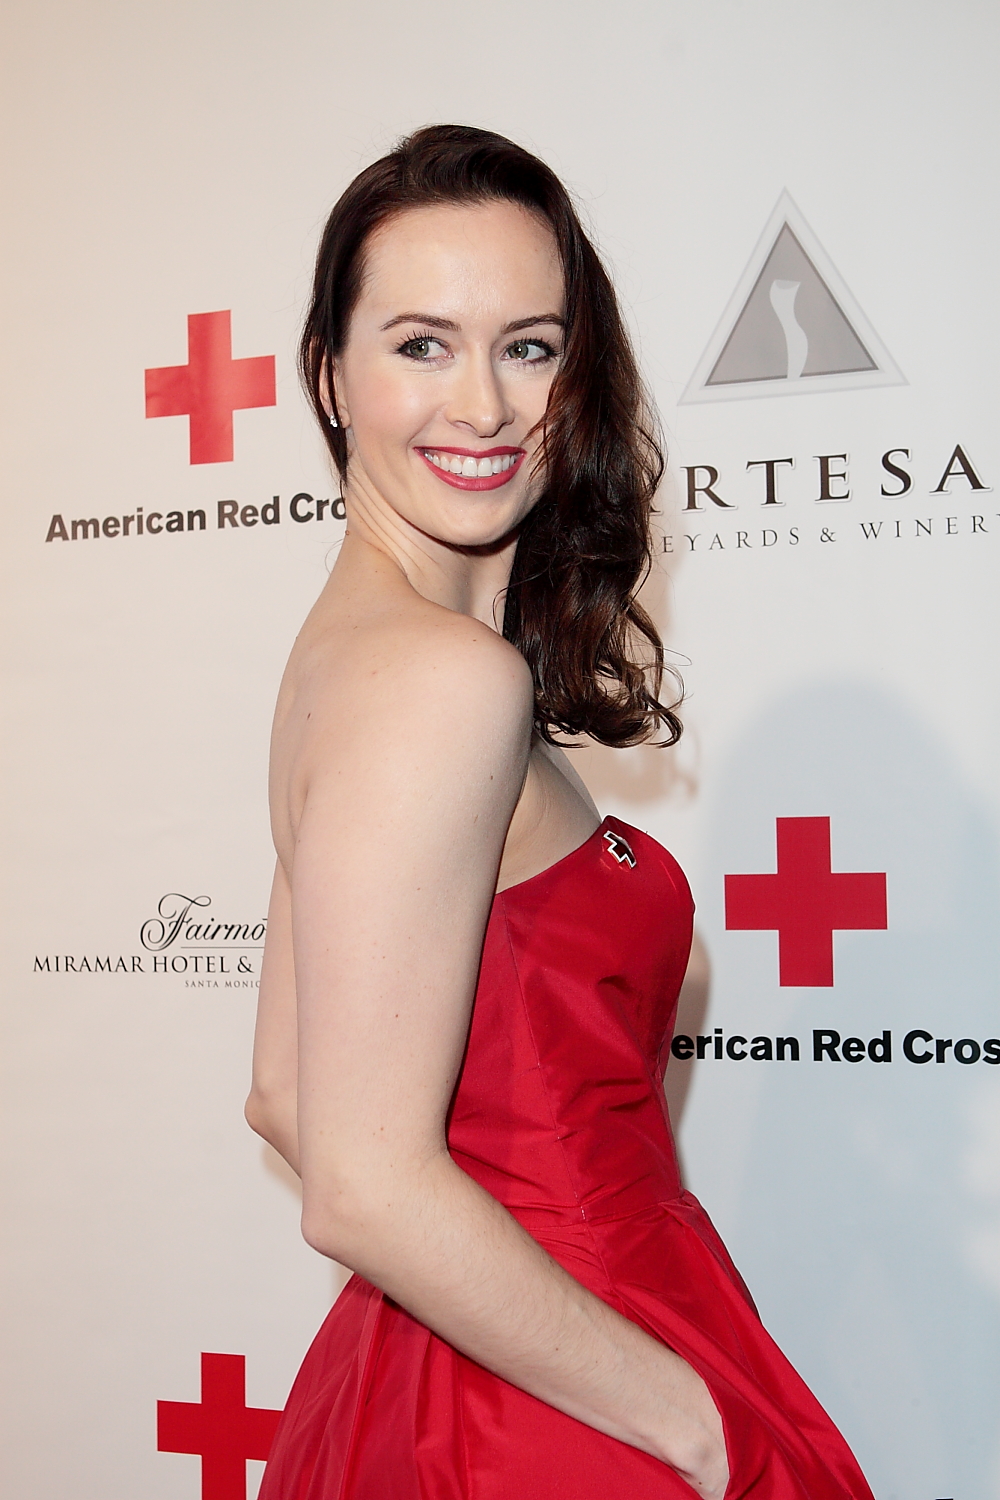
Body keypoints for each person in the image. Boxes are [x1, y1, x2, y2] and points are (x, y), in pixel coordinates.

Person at [246, 124, 874, 1500]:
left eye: (529, 345)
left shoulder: (342, 654)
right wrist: (692, 1423)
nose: (484, 404)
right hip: (577, 1399)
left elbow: (291, 1093)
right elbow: (354, 1177)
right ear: (328, 375)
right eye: (421, 344)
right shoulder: (438, 682)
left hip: (440, 1366)